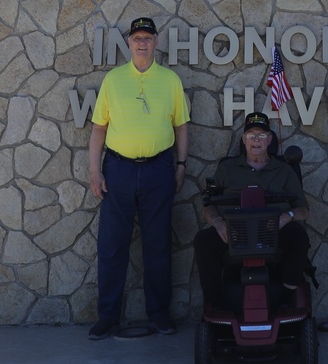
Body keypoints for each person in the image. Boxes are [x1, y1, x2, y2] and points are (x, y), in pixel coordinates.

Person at [88, 17, 190, 338]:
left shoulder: (170, 80)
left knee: (158, 245)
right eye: (136, 38)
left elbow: (181, 126)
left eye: (147, 37)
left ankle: (159, 314)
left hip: (159, 169)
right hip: (118, 170)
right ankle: (108, 317)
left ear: (156, 42)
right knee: (112, 246)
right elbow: (99, 128)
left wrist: (181, 165)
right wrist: (94, 169)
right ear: (129, 43)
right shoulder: (113, 80)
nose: (142, 42)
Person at [194, 113, 310, 309]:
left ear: (270, 139)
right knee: (203, 241)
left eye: (262, 135)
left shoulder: (284, 171)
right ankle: (217, 305)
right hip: (234, 235)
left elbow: (304, 209)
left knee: (298, 235)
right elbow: (209, 204)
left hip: (273, 234)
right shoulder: (227, 169)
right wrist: (217, 222)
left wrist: (287, 216)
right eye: (251, 135)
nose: (256, 140)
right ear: (243, 139)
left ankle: (286, 298)